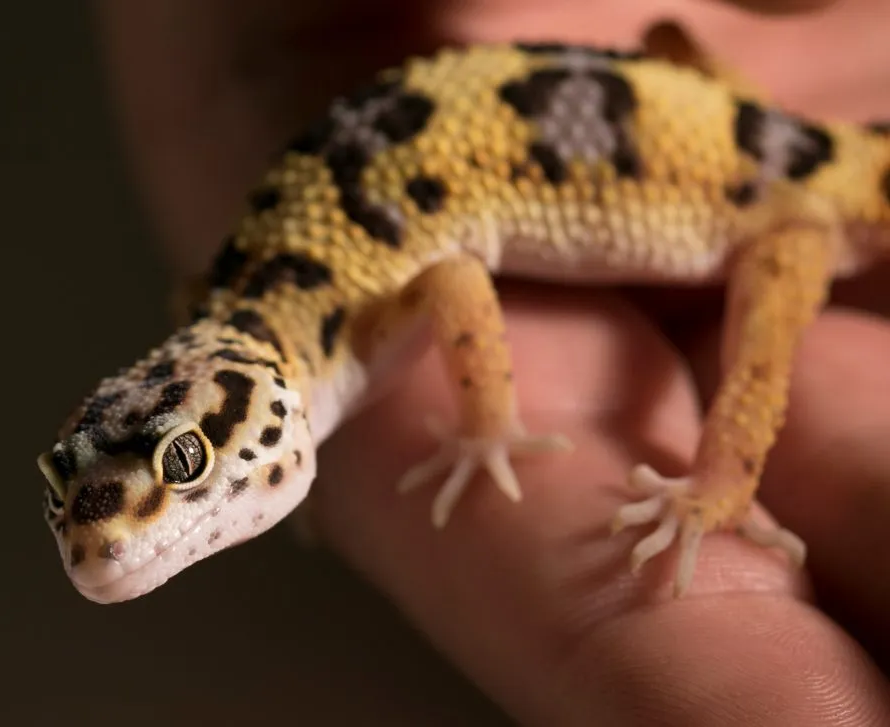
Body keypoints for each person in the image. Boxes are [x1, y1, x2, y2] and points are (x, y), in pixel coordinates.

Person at [95, 0, 890, 723]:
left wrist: (489, 425)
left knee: (758, 349)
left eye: (187, 459)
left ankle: (725, 490)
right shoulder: (225, 305)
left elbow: (455, 278)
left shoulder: (318, 315)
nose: (106, 547)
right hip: (704, 126)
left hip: (787, 203)